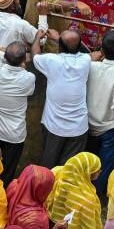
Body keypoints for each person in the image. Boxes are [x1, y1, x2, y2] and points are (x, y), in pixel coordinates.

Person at [34, 28, 91, 167]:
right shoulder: (85, 60)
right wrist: (59, 39)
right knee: (69, 170)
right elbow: (86, 51)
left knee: (49, 168)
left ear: (60, 46)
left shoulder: (52, 60)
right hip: (78, 128)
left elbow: (35, 54)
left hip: (55, 126)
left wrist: (37, 38)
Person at [0, 43, 38, 182]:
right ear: (23, 61)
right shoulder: (28, 78)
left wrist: (6, 53)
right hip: (14, 135)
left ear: (6, 58)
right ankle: (3, 197)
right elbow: (30, 92)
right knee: (7, 172)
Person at [86, 31, 114, 195]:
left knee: (88, 165)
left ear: (102, 49)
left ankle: (81, 195)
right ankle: (94, 200)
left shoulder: (91, 66)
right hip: (110, 129)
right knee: (103, 169)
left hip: (89, 125)